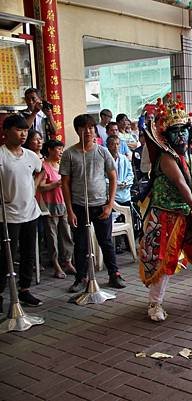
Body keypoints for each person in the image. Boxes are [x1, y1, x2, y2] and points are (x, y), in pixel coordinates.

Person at [138, 94, 192, 322]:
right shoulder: (166, 157)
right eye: (176, 131)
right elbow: (181, 184)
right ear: (167, 136)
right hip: (167, 213)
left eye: (184, 130)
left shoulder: (190, 154)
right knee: (165, 259)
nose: (181, 135)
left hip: (188, 212)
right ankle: (154, 303)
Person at [60, 114, 126, 292]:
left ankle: (114, 274)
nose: (88, 131)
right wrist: (70, 210)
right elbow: (64, 183)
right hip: (79, 206)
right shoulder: (69, 154)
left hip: (101, 205)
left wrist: (110, 204)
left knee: (106, 241)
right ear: (77, 131)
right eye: (83, 128)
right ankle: (81, 277)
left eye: (91, 128)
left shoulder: (102, 151)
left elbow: (113, 177)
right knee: (80, 243)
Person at [0, 115, 44, 309]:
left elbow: (41, 171)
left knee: (28, 253)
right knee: (6, 256)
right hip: (8, 215)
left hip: (30, 213)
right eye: (19, 130)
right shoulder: (1, 156)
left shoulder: (30, 155)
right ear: (6, 131)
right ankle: (0, 293)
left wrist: (33, 188)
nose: (23, 134)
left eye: (25, 130)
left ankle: (24, 290)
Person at [39, 139, 76, 279]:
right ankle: (56, 264)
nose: (61, 152)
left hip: (64, 204)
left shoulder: (62, 165)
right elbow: (40, 187)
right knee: (52, 236)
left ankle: (67, 261)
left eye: (62, 149)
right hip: (50, 205)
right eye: (58, 149)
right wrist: (56, 184)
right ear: (49, 150)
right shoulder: (44, 166)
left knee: (66, 234)